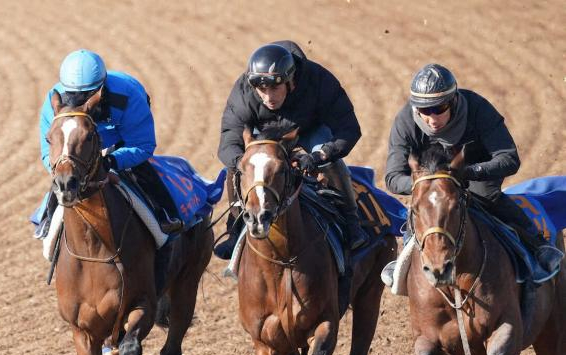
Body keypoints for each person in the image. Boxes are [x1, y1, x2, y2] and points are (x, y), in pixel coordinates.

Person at [381, 63, 562, 285]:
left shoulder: (478, 109)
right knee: (427, 207)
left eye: (439, 108)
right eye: (425, 111)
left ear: (454, 100)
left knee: (488, 198)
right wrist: (430, 185)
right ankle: (402, 260)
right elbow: (392, 177)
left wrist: (470, 172)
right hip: (429, 182)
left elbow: (509, 158)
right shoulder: (405, 122)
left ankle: (536, 247)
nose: (432, 118)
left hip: (475, 173)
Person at [214, 41, 368, 259]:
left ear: (291, 81)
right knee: (240, 165)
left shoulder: (319, 80)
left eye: (275, 88)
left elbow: (348, 129)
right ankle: (235, 227)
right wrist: (241, 162)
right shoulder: (243, 92)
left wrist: (319, 155)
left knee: (329, 162)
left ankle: (352, 224)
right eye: (262, 90)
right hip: (264, 136)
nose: (268, 97)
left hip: (309, 130)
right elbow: (229, 139)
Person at [35, 49, 180, 238]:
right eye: (72, 95)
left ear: (101, 88)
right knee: (62, 179)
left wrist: (111, 162)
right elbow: (48, 150)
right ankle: (46, 220)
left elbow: (143, 144)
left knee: (141, 172)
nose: (80, 102)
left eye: (87, 95)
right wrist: (61, 167)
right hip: (75, 145)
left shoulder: (128, 96)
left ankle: (166, 215)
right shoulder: (53, 101)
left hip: (119, 138)